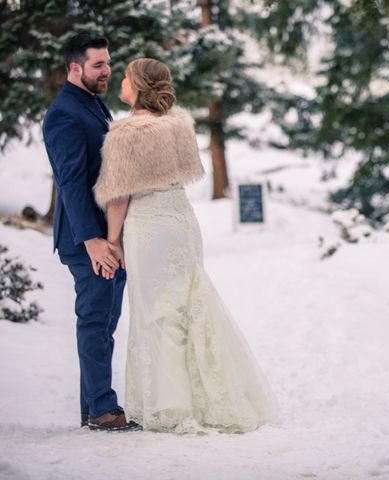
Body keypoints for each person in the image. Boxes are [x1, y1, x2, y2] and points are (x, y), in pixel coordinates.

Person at [93, 58, 276, 433]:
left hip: (148, 227)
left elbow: (118, 198)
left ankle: (169, 405)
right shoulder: (178, 125)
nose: (120, 84)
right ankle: (210, 395)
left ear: (139, 86)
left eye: (126, 78)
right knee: (189, 304)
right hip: (181, 221)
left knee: (155, 313)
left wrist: (112, 242)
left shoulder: (125, 133)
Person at [43, 34, 139, 431]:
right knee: (96, 322)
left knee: (104, 324)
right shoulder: (64, 113)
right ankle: (102, 409)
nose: (106, 71)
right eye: (98, 64)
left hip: (104, 235)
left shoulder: (92, 104)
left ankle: (93, 407)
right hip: (88, 241)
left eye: (108, 63)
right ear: (75, 67)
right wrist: (94, 240)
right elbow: (70, 182)